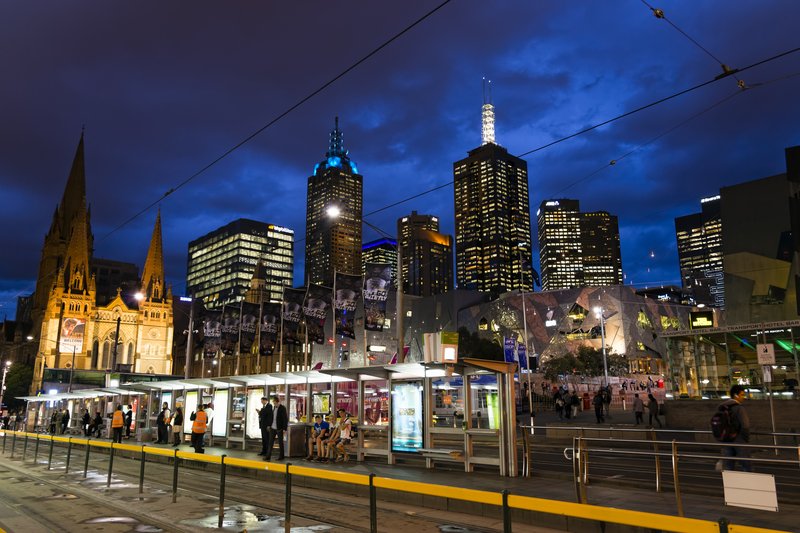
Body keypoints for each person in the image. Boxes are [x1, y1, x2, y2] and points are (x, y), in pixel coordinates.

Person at [719, 385, 751, 472]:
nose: (743, 397)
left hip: (725, 439)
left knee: (728, 466)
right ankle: (747, 483)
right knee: (746, 465)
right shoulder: (739, 408)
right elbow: (745, 425)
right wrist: (745, 438)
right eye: (742, 395)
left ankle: (730, 483)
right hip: (739, 439)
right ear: (735, 395)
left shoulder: (721, 406)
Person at [265, 395, 288, 461]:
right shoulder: (274, 408)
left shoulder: (282, 408)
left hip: (279, 428)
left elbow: (285, 419)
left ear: (278, 402)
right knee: (270, 442)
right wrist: (269, 425)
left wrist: (284, 429)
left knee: (280, 443)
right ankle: (268, 456)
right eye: (273, 403)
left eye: (275, 403)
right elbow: (272, 418)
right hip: (273, 427)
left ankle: (281, 456)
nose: (274, 404)